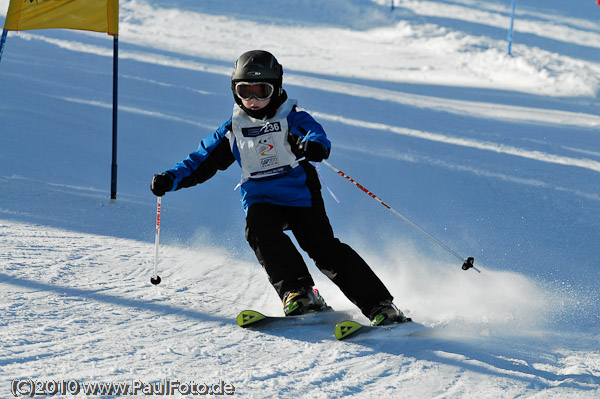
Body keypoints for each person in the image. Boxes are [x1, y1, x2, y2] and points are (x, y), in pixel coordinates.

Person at [150, 50, 410, 326]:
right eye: (244, 92)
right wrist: (170, 178)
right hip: (261, 198)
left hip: (300, 195)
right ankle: (299, 293)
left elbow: (316, 135)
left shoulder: (291, 118)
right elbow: (200, 160)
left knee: (324, 249)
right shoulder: (233, 129)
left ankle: (380, 306)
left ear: (277, 88)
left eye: (262, 91)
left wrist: (314, 146)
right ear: (234, 92)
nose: (252, 100)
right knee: (259, 231)